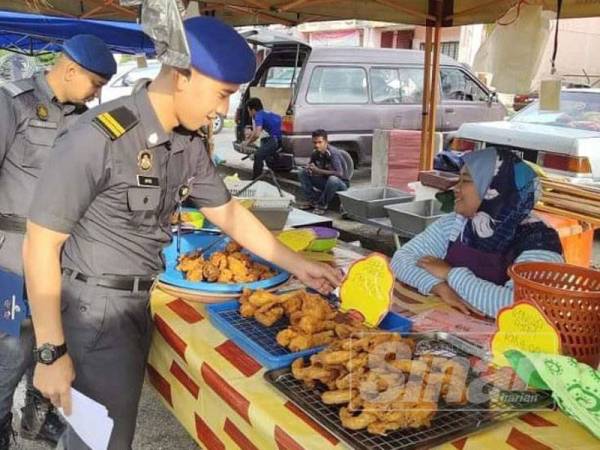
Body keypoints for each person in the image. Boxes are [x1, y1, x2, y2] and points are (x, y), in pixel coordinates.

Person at [22, 17, 341, 450]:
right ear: (180, 76)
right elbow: (41, 243)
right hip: (93, 317)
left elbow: (227, 212)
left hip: (136, 306)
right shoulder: (96, 138)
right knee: (97, 443)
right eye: (222, 94)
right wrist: (50, 352)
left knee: (107, 437)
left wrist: (299, 264)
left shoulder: (185, 144)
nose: (225, 109)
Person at [0, 35, 115, 449]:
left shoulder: (88, 120)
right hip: (12, 254)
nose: (98, 92)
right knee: (10, 351)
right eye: (95, 82)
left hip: (67, 255)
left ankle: (38, 414)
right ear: (69, 70)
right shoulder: (13, 103)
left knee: (54, 341)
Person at [391, 148, 563, 318]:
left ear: (496, 187)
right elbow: (402, 258)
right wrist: (440, 287)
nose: (455, 188)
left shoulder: (540, 241)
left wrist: (450, 274)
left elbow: (522, 307)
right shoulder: (458, 223)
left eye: (465, 181)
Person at [298, 129, 351, 215]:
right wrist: (309, 169)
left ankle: (322, 205)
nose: (317, 145)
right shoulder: (315, 153)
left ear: (326, 142)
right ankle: (312, 201)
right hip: (325, 182)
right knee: (302, 172)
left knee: (333, 179)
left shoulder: (333, 153)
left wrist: (318, 171)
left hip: (341, 184)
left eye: (320, 142)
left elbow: (339, 173)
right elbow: (311, 166)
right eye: (315, 143)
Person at [243, 97, 282, 179]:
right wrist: (248, 141)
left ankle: (256, 179)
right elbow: (255, 132)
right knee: (263, 142)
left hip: (274, 140)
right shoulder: (265, 113)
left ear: (253, 110)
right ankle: (275, 167)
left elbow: (257, 134)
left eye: (248, 110)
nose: (249, 113)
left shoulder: (258, 115)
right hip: (279, 139)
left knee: (258, 155)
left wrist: (247, 143)